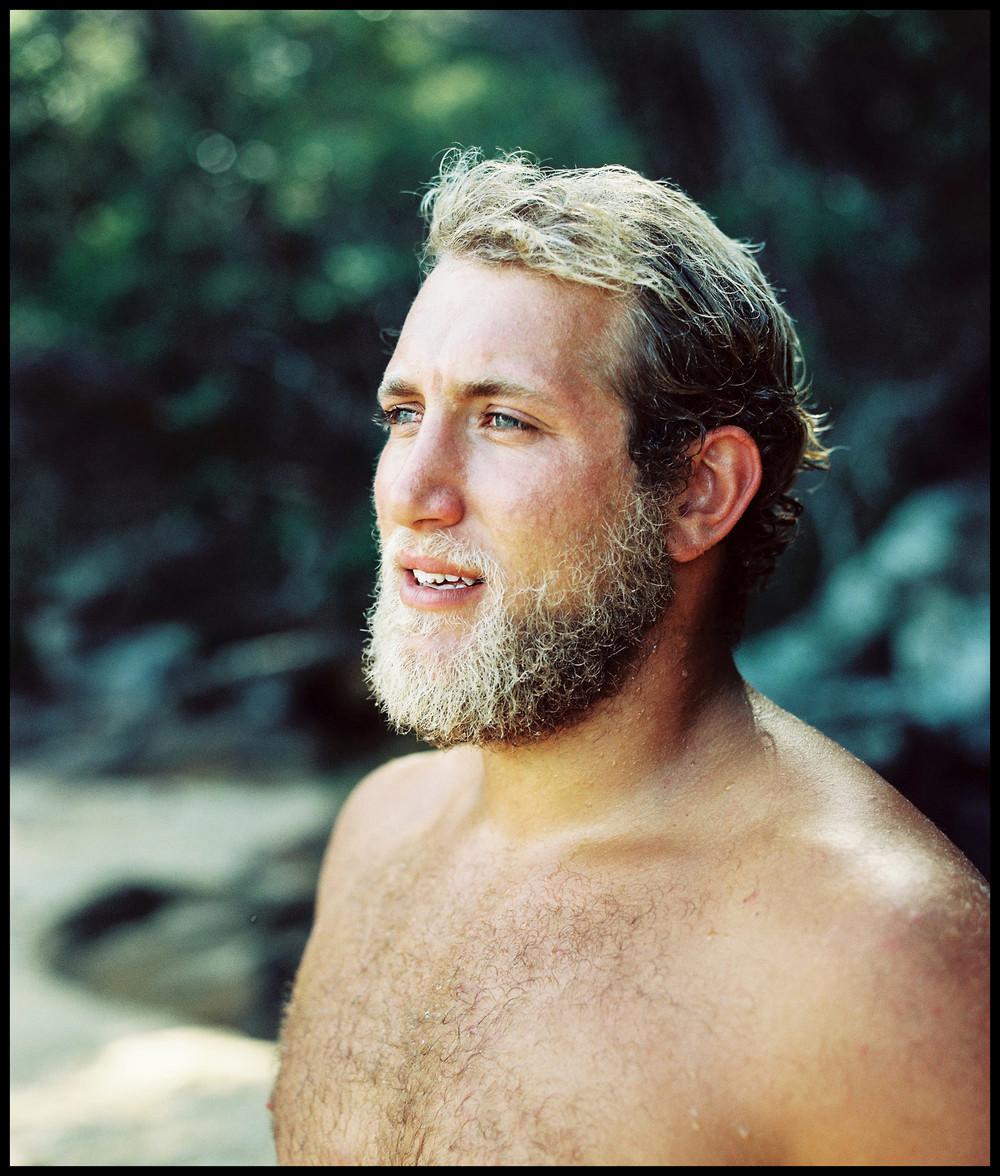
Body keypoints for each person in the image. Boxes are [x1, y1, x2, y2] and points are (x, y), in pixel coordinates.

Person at [270, 150, 988, 1165]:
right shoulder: (378, 832)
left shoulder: (876, 959)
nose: (411, 489)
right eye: (402, 415)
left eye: (504, 420)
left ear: (698, 493)